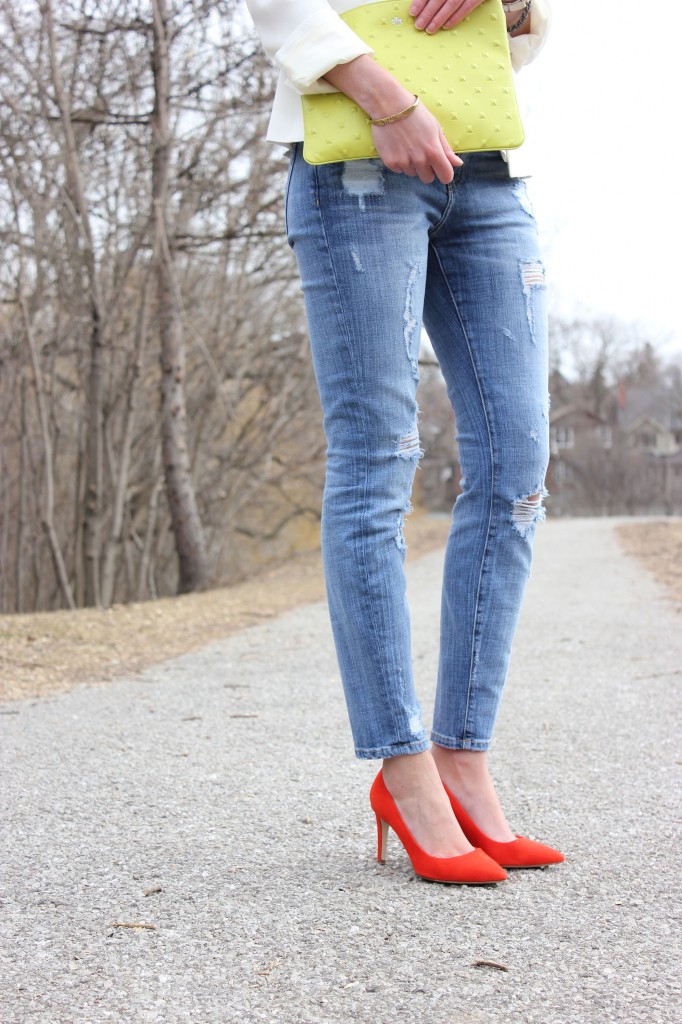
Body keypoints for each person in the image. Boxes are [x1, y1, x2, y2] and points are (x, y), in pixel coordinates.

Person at [245, 0, 564, 884]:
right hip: (358, 161)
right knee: (379, 459)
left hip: (488, 167)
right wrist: (385, 98)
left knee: (517, 467)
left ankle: (464, 758)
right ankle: (404, 768)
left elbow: (520, 36)